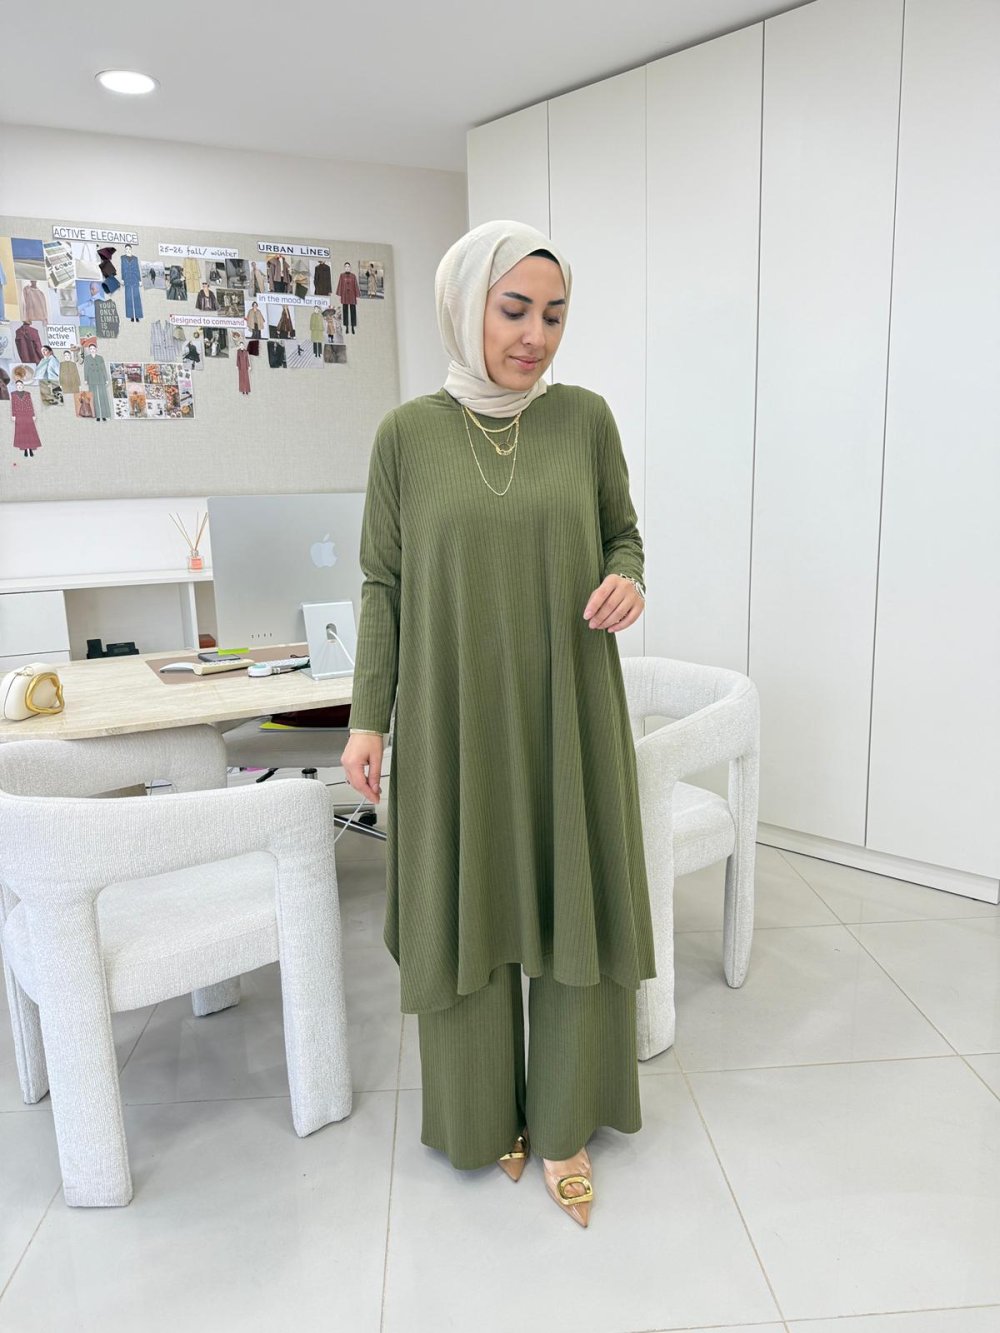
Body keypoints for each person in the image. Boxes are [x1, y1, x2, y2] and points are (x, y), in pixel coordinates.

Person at [341, 221, 653, 1231]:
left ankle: (563, 1121)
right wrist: (368, 718)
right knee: (464, 905)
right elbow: (383, 584)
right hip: (452, 712)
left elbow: (622, 533)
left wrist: (627, 578)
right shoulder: (405, 436)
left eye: (554, 315)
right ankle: (480, 1115)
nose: (535, 336)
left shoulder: (585, 420)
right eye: (514, 309)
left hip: (570, 705)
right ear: (464, 305)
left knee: (571, 904)